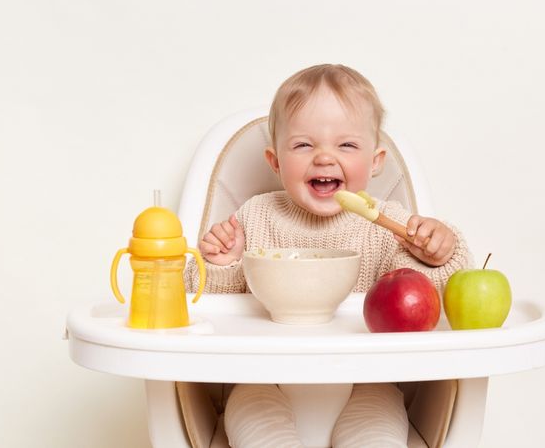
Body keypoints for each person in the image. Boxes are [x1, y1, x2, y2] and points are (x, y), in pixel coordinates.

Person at [185, 64, 471, 448]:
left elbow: (437, 299)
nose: (324, 158)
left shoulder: (389, 226)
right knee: (254, 418)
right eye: (304, 145)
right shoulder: (254, 217)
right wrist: (223, 264)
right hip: (264, 377)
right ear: (275, 162)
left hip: (368, 381)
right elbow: (196, 303)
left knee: (377, 433)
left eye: (347, 145)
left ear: (375, 161)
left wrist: (441, 253)